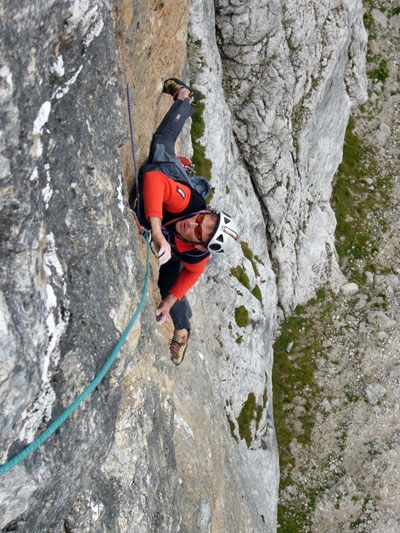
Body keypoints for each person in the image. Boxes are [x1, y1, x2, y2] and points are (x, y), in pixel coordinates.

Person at [138, 78, 239, 365]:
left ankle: (182, 331)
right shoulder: (189, 204)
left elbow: (192, 274)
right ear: (208, 212)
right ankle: (184, 97)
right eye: (203, 220)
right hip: (165, 177)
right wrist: (156, 231)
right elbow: (154, 179)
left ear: (202, 245)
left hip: (169, 244)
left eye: (200, 233)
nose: (193, 225)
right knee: (162, 142)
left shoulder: (196, 254)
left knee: (170, 284)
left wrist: (169, 302)